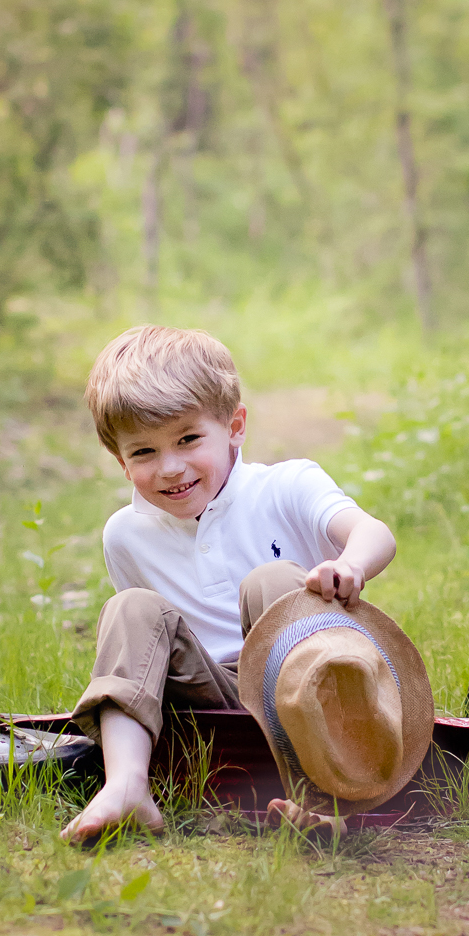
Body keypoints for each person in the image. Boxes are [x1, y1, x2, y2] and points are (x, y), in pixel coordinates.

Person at [61, 325, 398, 843]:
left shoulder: (286, 486)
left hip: (316, 681)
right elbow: (145, 652)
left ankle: (326, 790)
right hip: (211, 688)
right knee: (129, 607)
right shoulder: (125, 535)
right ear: (121, 462)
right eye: (144, 453)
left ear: (235, 425)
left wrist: (349, 566)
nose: (170, 469)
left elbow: (373, 533)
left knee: (272, 582)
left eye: (188, 439)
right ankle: (126, 785)